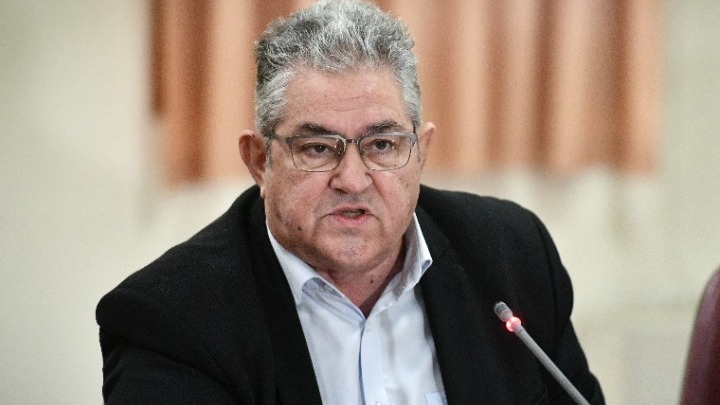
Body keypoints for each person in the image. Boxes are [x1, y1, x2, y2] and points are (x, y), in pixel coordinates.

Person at [96, 1, 605, 403]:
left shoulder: (512, 254)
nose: (353, 180)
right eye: (318, 148)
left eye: (382, 144)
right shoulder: (171, 319)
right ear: (259, 161)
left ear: (421, 151)